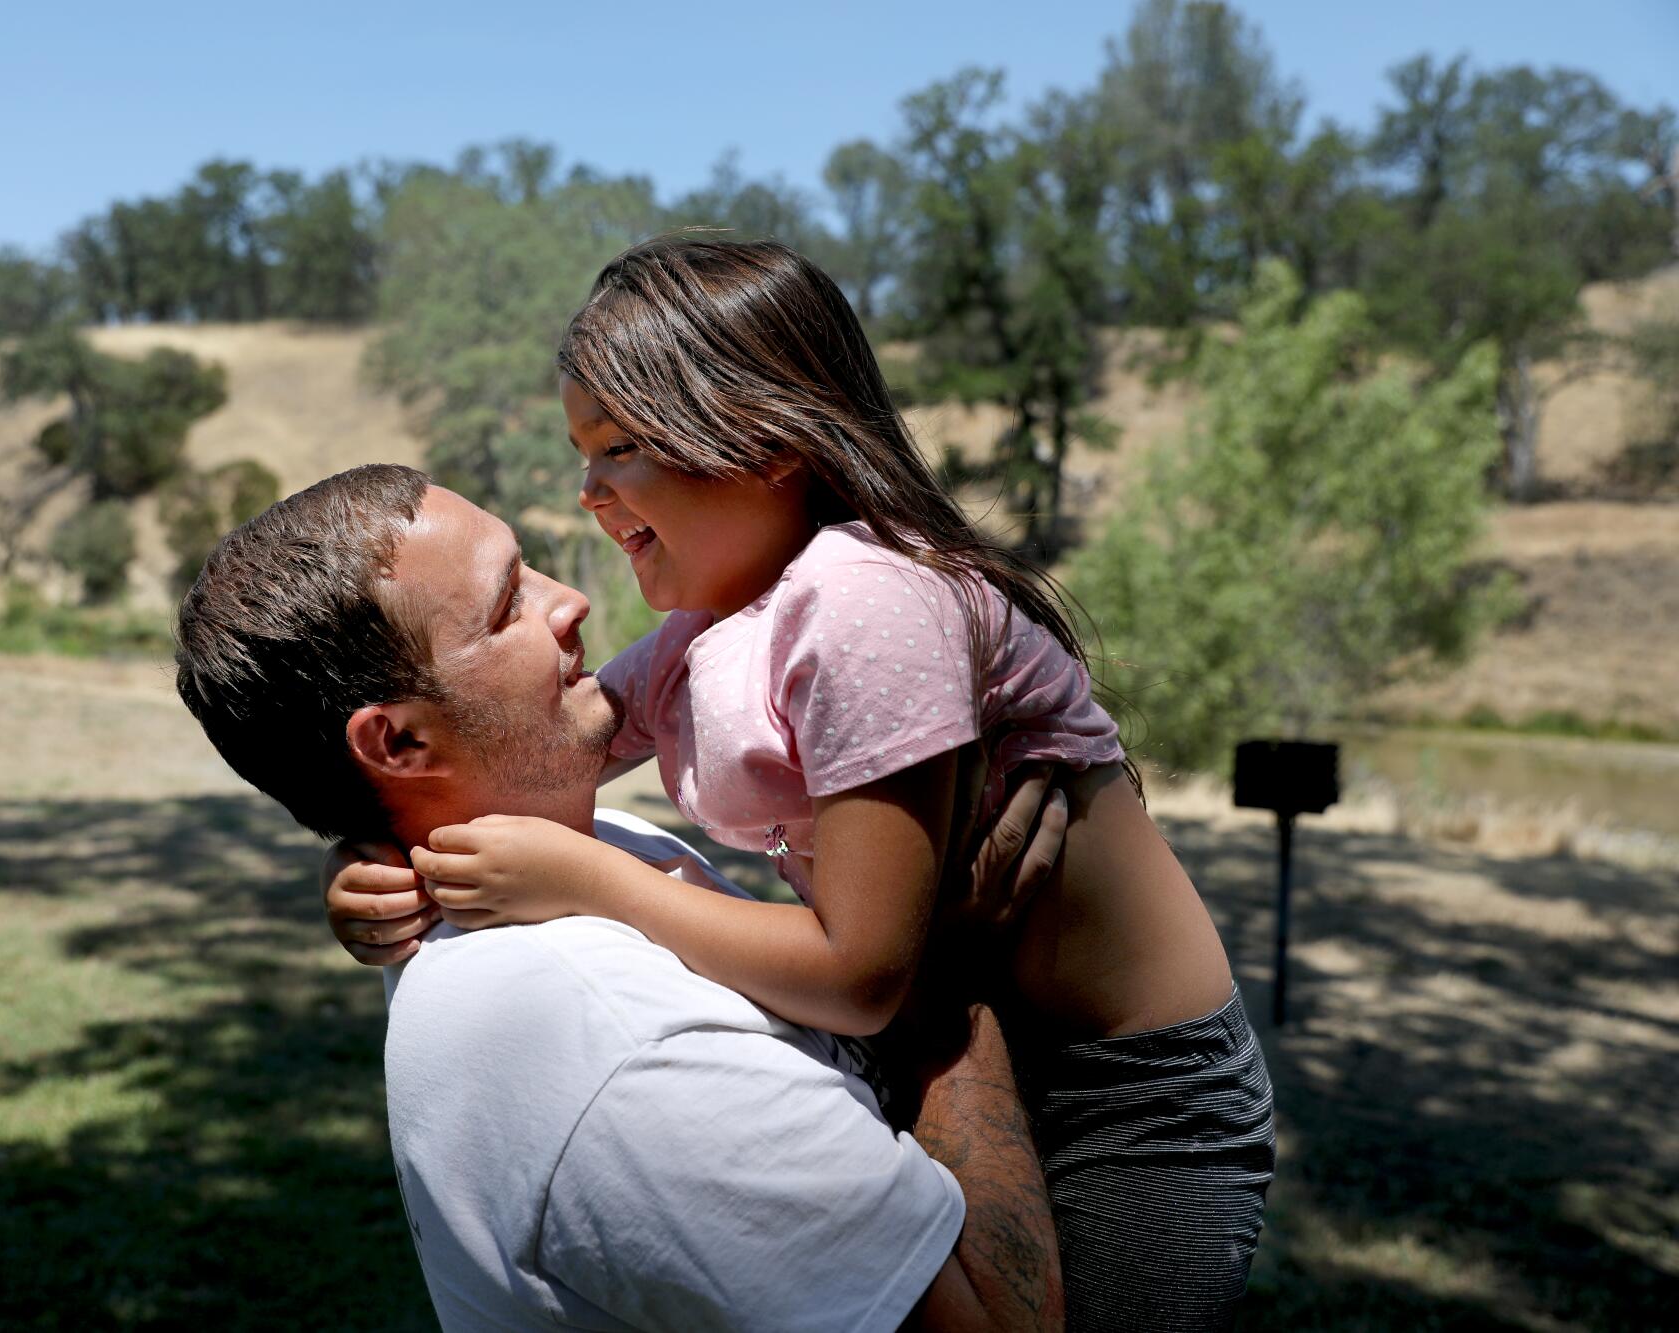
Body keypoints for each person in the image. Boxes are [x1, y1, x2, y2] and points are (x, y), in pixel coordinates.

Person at [336, 238, 1274, 1331]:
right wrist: (372, 854)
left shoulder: (867, 604)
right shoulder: (718, 630)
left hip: (1127, 1095)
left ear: (765, 441)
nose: (588, 492)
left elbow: (858, 976)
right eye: (580, 451)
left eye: (621, 447)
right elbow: (529, 750)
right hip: (976, 1054)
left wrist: (591, 881)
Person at [175, 464, 1070, 1331]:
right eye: (506, 606)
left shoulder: (555, 867)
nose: (570, 600)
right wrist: (942, 981)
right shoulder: (622, 1051)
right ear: (400, 742)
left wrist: (364, 845)